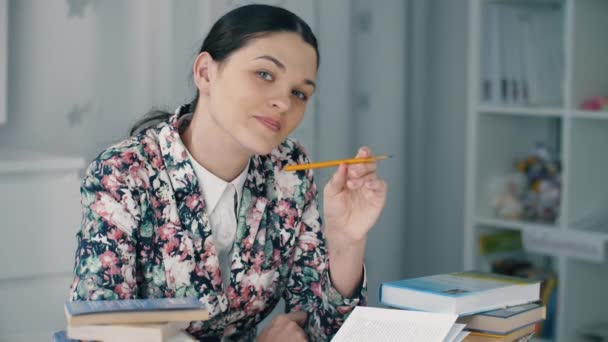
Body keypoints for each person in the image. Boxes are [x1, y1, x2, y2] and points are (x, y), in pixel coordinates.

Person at [69, 4, 387, 341]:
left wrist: (346, 241)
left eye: (300, 93)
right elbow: (100, 331)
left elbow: (321, 330)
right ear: (206, 72)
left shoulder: (288, 170)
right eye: (265, 74)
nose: (284, 102)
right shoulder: (123, 173)